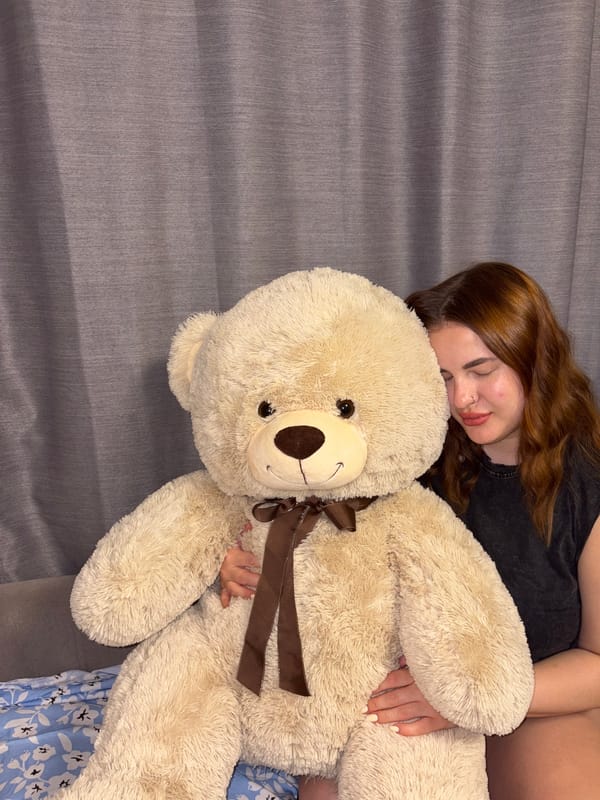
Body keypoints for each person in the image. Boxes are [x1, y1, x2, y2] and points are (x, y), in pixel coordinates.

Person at [219, 262, 600, 800]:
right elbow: (295, 529)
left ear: (535, 358)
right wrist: (230, 560)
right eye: (442, 378)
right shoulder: (403, 455)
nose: (462, 398)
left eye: (481, 370)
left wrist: (460, 697)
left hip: (533, 698)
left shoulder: (587, 483)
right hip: (390, 689)